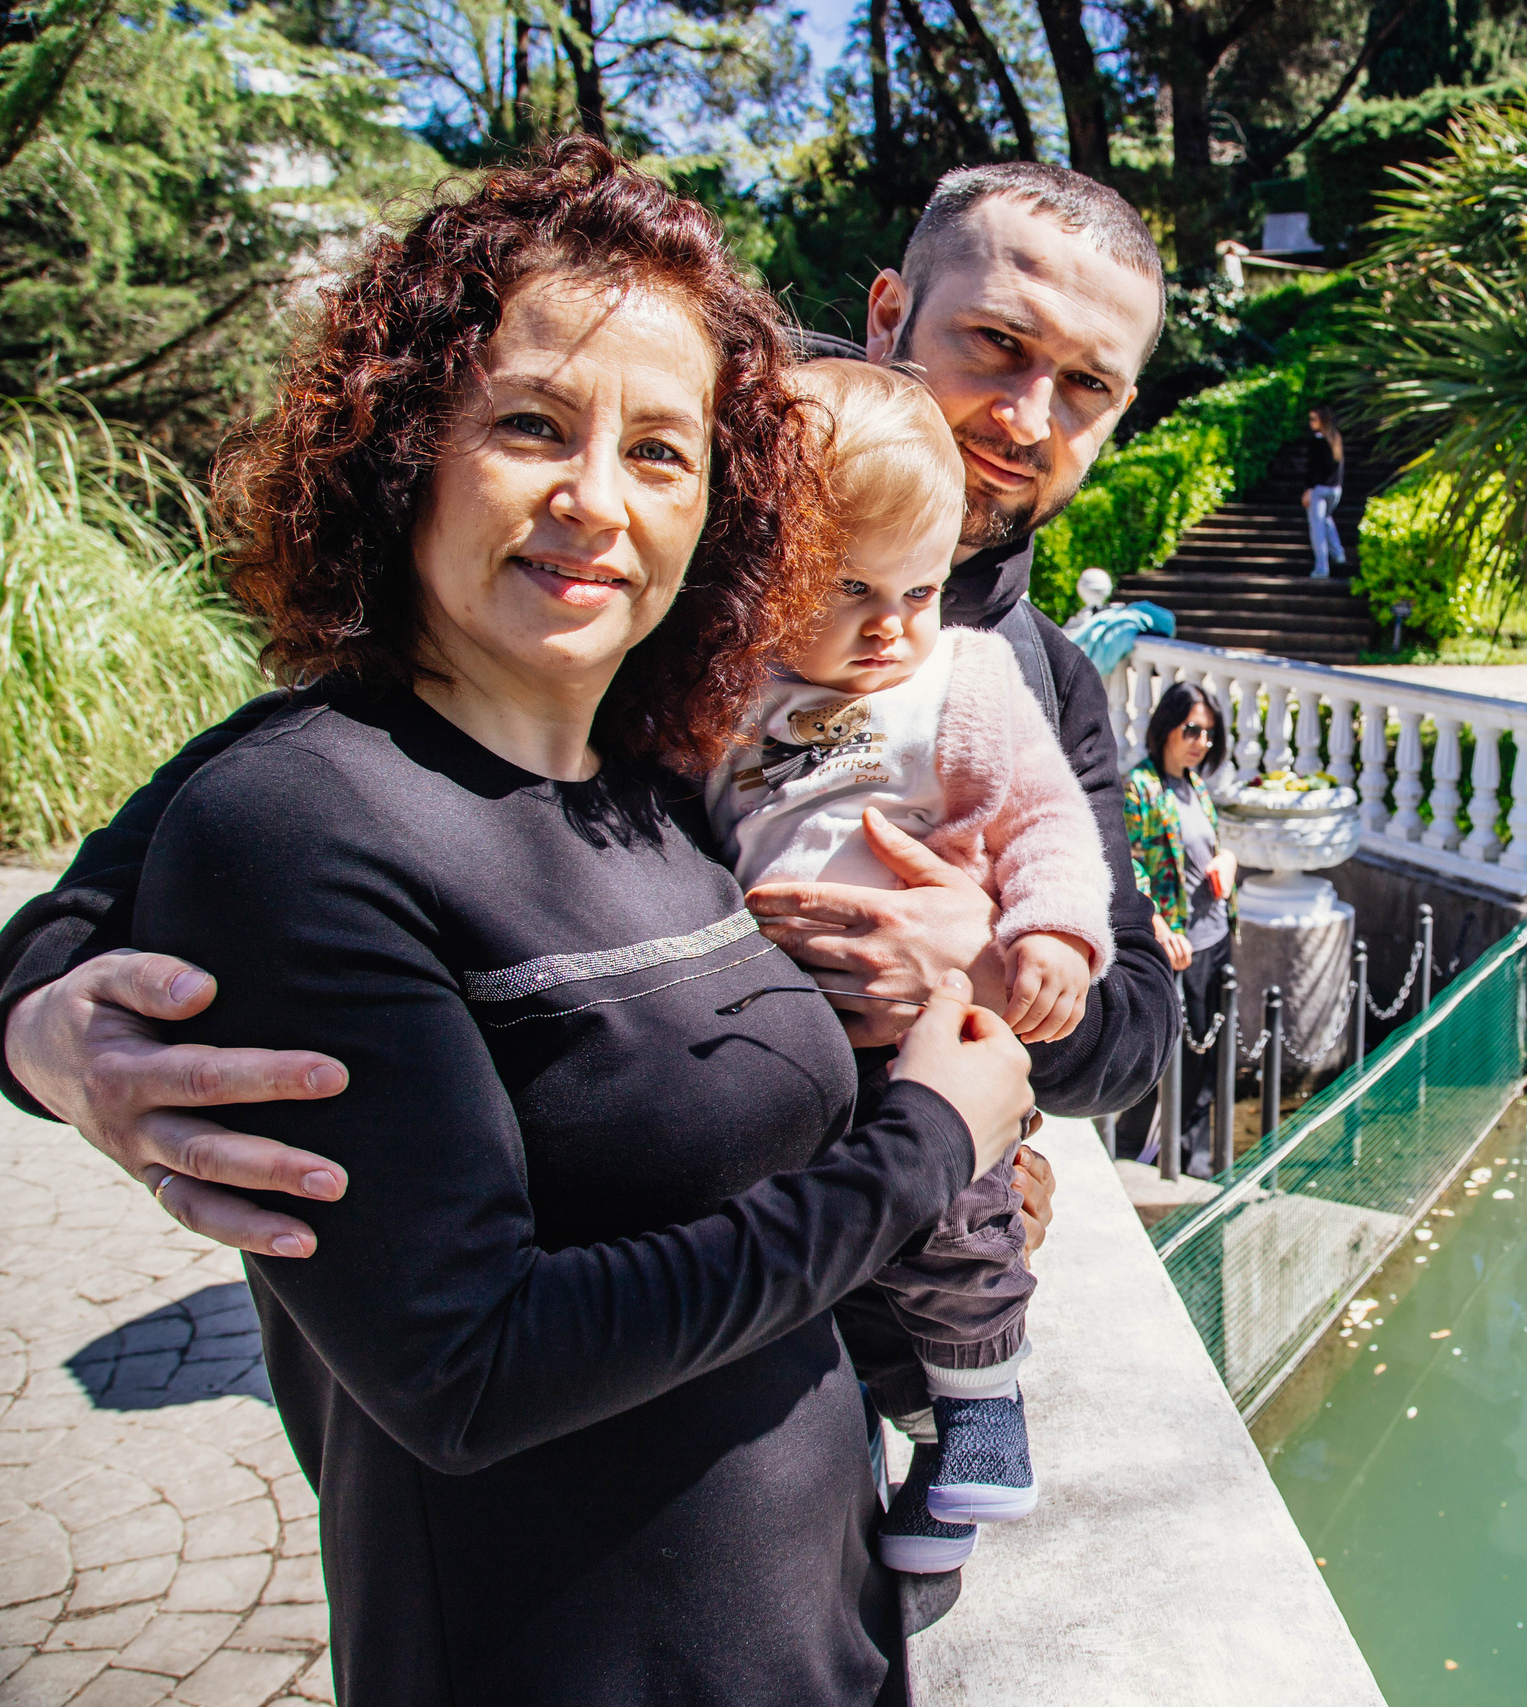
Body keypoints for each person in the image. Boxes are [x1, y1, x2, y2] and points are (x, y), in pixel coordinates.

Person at [0, 162, 1179, 1446]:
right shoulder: (662, 539)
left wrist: (984, 981)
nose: (1026, 412)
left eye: (1087, 387)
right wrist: (39, 1024)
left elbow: (1133, 1027)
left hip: (843, 1355)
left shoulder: (1036, 675)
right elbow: (259, 795)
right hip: (563, 1412)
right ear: (889, 313)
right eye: (996, 343)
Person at [118, 141, 1036, 1704]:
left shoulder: (655, 784)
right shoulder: (298, 820)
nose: (594, 499)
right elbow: (468, 1366)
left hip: (819, 1631)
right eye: (533, 422)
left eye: (664, 453)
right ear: (402, 445)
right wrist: (927, 1151)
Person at [706, 358, 1115, 1573]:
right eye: (850, 590)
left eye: (921, 590)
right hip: (779, 1036)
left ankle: (983, 1412)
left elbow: (1048, 820)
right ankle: (927, 1447)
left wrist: (1044, 937)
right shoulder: (721, 691)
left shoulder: (965, 683)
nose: (891, 626)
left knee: (955, 1222)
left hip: (929, 1036)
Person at [1117, 681, 1237, 1168]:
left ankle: (1196, 1159)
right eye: (1192, 730)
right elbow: (1128, 865)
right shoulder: (1140, 787)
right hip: (1175, 945)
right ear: (1166, 727)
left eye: (1208, 734)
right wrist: (1158, 926)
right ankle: (1136, 1156)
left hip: (1215, 939)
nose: (1201, 743)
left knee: (1206, 1061)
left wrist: (1227, 858)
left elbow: (1210, 846)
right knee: (1164, 1057)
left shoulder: (1195, 786)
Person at [1301, 404, 1346, 579]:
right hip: (1335, 489)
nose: (1311, 422)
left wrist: (1308, 490)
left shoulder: (1318, 440)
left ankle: (1322, 568)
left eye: (1314, 419)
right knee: (1325, 519)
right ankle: (1338, 553)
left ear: (1322, 421)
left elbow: (1313, 469)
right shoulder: (1335, 438)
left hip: (1319, 489)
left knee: (1317, 528)